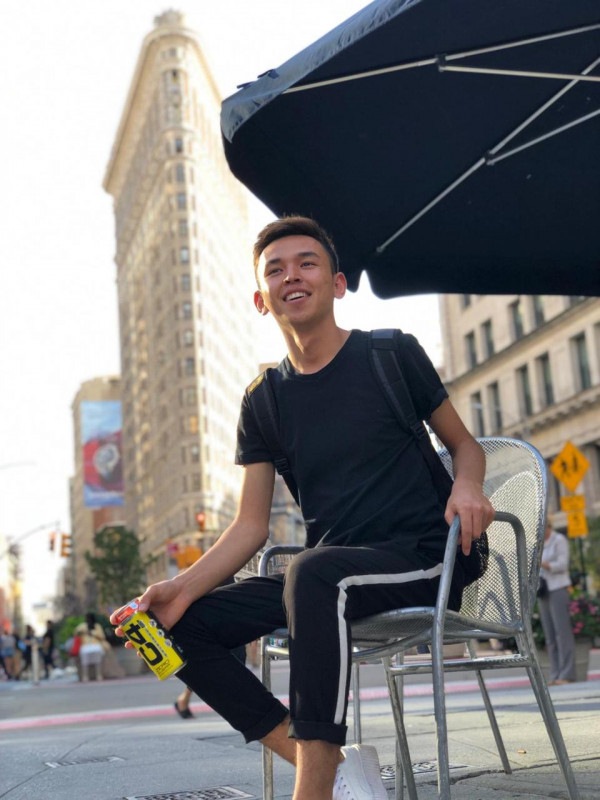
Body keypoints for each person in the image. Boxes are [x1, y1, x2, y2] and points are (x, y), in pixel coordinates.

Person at [112, 216, 494, 800]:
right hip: (329, 573)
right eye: (275, 269)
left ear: (337, 284)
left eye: (306, 263)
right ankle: (323, 763)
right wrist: (179, 589)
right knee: (165, 630)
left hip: (427, 557)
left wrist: (467, 485)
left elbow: (465, 445)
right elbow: (250, 527)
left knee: (313, 572)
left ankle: (311, 790)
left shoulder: (390, 354)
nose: (291, 275)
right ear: (261, 299)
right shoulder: (262, 401)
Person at [539, 521, 576, 685]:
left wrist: (542, 564)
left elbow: (562, 564)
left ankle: (567, 674)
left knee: (563, 633)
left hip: (558, 588)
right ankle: (555, 674)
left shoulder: (558, 540)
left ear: (548, 526)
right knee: (550, 636)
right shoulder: (539, 544)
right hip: (543, 590)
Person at [74, 613, 108, 681]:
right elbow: (76, 633)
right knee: (84, 662)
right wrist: (81, 632)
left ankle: (99, 675)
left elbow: (102, 636)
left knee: (98, 661)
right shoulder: (82, 626)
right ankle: (85, 676)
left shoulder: (97, 626)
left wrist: (92, 633)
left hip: (96, 645)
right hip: (85, 646)